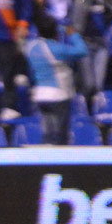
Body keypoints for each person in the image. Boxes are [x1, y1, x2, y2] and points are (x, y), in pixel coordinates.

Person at [24, 10, 88, 145]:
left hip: (40, 96)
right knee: (60, 137)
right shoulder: (57, 49)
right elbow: (82, 51)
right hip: (58, 95)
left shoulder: (30, 47)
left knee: (47, 134)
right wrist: (73, 34)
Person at [70, 0, 112, 100]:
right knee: (88, 84)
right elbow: (77, 26)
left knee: (98, 86)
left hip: (101, 45)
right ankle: (81, 108)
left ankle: (95, 111)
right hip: (84, 45)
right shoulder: (80, 0)